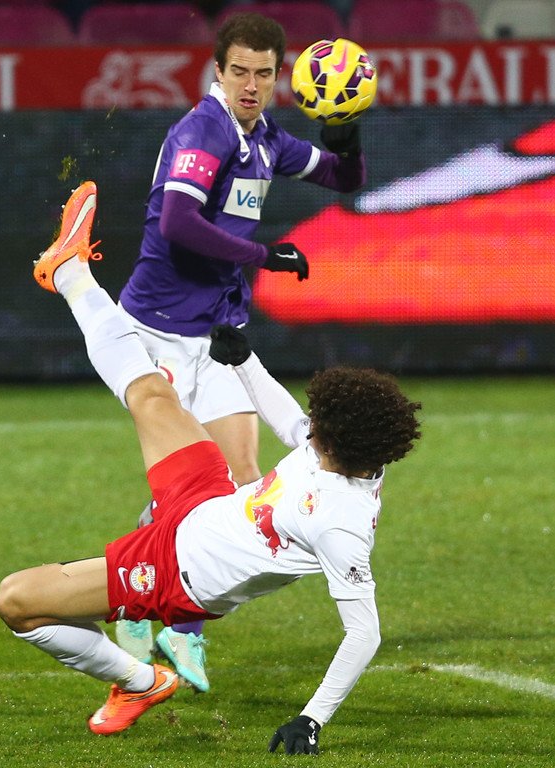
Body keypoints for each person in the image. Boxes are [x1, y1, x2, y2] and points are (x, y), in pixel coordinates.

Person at [3, 182, 421, 752]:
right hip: (207, 500)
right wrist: (245, 361)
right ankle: (71, 272)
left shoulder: (340, 522)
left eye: (319, 423)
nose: (311, 425)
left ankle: (139, 682)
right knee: (153, 393)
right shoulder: (345, 450)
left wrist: (312, 718)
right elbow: (288, 420)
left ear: (337, 442)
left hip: (178, 571)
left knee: (17, 602)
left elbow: (364, 634)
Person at [108, 10, 368, 684]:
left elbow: (343, 179)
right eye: (239, 72)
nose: (250, 84)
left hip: (214, 333)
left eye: (263, 74)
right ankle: (138, 603)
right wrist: (263, 255)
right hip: (159, 331)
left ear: (279, 77)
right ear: (218, 71)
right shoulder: (205, 130)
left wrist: (345, 131)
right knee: (189, 486)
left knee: (244, 481)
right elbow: (177, 221)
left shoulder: (266, 138)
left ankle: (180, 626)